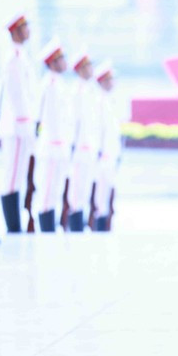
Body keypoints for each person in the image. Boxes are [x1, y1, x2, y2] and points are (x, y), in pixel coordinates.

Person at [0, 13, 37, 233]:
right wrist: (25, 125)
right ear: (15, 32)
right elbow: (16, 94)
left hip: (21, 124)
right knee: (11, 175)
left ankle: (16, 223)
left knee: (18, 174)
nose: (28, 30)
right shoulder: (13, 57)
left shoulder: (21, 56)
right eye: (24, 27)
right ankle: (13, 225)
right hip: (15, 126)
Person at [34, 39, 74, 232]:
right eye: (61, 59)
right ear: (52, 63)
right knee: (47, 191)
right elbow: (47, 118)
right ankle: (46, 229)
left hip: (60, 145)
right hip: (51, 145)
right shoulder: (49, 84)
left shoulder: (59, 84)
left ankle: (50, 228)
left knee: (55, 190)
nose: (64, 62)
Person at [65, 52, 99, 231]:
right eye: (87, 66)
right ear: (80, 69)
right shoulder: (76, 91)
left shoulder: (90, 90)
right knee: (76, 193)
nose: (91, 69)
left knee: (84, 190)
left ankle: (80, 227)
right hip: (78, 148)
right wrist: (72, 146)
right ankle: (75, 228)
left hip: (89, 147)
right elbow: (73, 122)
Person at [92, 61, 123, 231]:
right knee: (100, 199)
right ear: (103, 81)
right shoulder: (98, 102)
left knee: (106, 196)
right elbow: (97, 131)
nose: (113, 82)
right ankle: (98, 228)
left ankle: (104, 227)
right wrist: (100, 154)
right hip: (102, 157)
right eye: (110, 79)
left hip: (111, 155)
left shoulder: (110, 101)